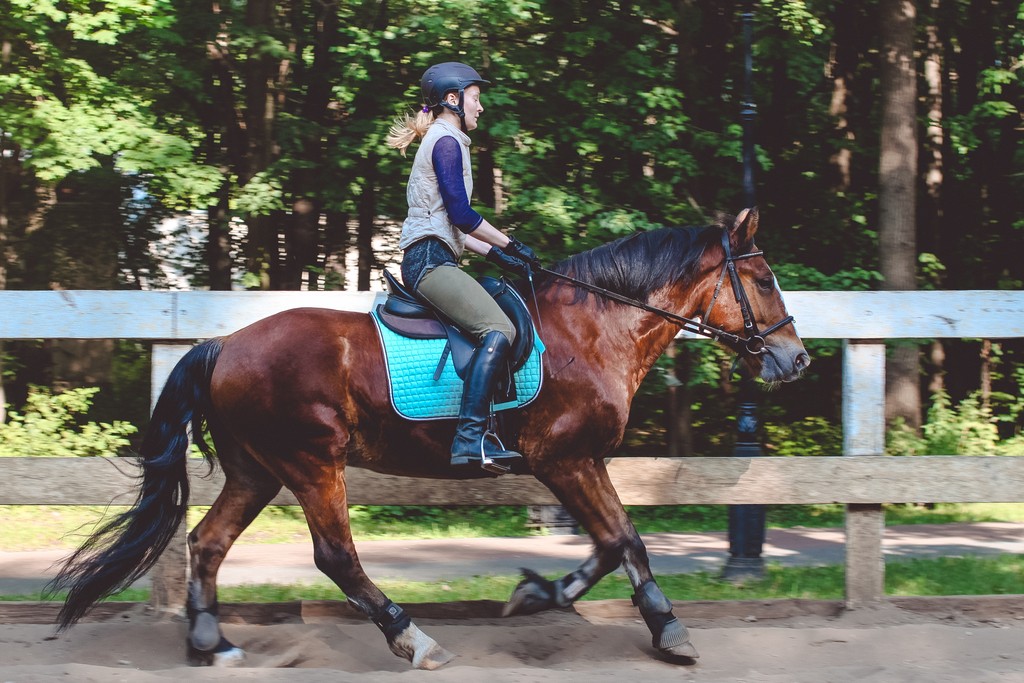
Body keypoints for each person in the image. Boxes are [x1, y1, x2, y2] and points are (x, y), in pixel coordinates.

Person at [386, 61, 541, 474]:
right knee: (500, 328)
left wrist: (500, 255)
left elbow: (452, 225)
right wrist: (511, 242)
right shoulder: (446, 141)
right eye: (476, 98)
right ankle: (471, 438)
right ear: (453, 99)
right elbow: (461, 213)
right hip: (429, 263)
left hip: (438, 255)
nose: (481, 107)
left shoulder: (445, 138)